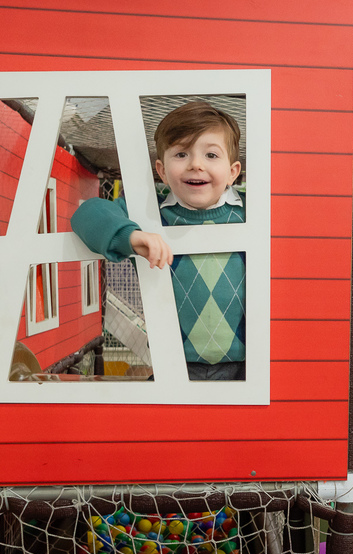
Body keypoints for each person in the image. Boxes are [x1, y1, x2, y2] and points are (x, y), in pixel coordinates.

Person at [71, 101, 246, 380]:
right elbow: (86, 214)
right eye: (181, 154)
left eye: (211, 155)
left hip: (248, 363)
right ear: (162, 171)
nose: (196, 165)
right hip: (173, 361)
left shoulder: (251, 212)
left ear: (233, 172)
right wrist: (132, 235)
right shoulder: (149, 213)